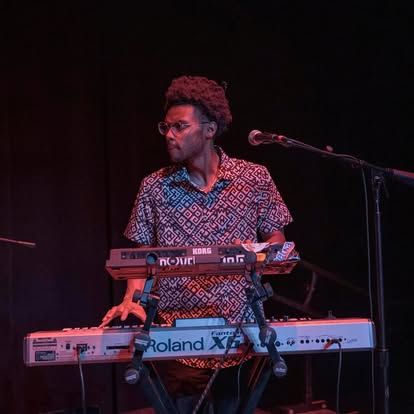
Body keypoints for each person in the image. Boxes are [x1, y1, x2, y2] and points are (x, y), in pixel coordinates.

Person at [100, 75, 293, 413]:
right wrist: (131, 300)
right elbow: (140, 257)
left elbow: (277, 240)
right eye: (166, 127)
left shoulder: (254, 178)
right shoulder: (154, 187)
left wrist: (255, 254)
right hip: (177, 336)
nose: (169, 135)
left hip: (241, 331)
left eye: (179, 126)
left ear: (209, 130)